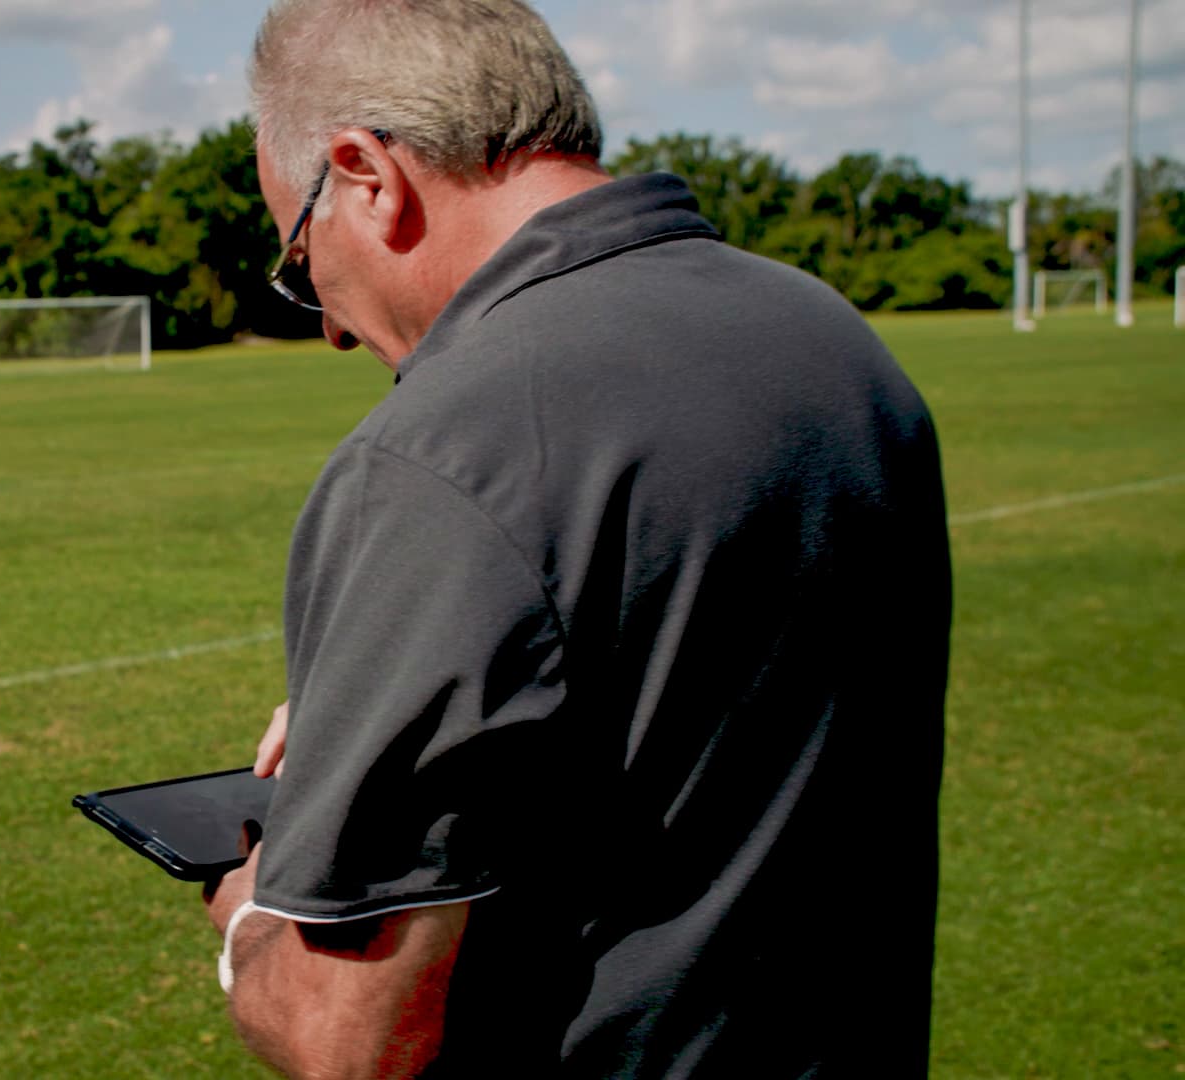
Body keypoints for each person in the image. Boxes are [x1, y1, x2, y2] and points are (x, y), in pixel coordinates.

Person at [199, 1, 953, 1077]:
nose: (325, 325)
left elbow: (347, 1037)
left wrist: (251, 912)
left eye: (298, 255)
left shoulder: (451, 444)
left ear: (366, 175)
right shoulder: (831, 339)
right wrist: (379, 724)